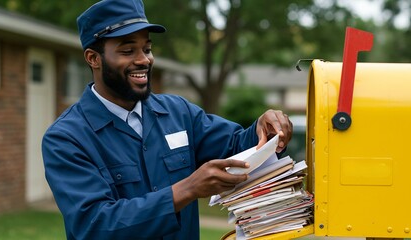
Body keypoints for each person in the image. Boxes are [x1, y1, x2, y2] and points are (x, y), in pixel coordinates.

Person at [42, 0, 293, 239]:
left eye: (147, 49)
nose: (144, 60)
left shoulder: (179, 112)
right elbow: (94, 224)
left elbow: (239, 147)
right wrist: (187, 189)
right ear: (93, 58)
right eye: (128, 50)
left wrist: (264, 130)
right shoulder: (66, 138)